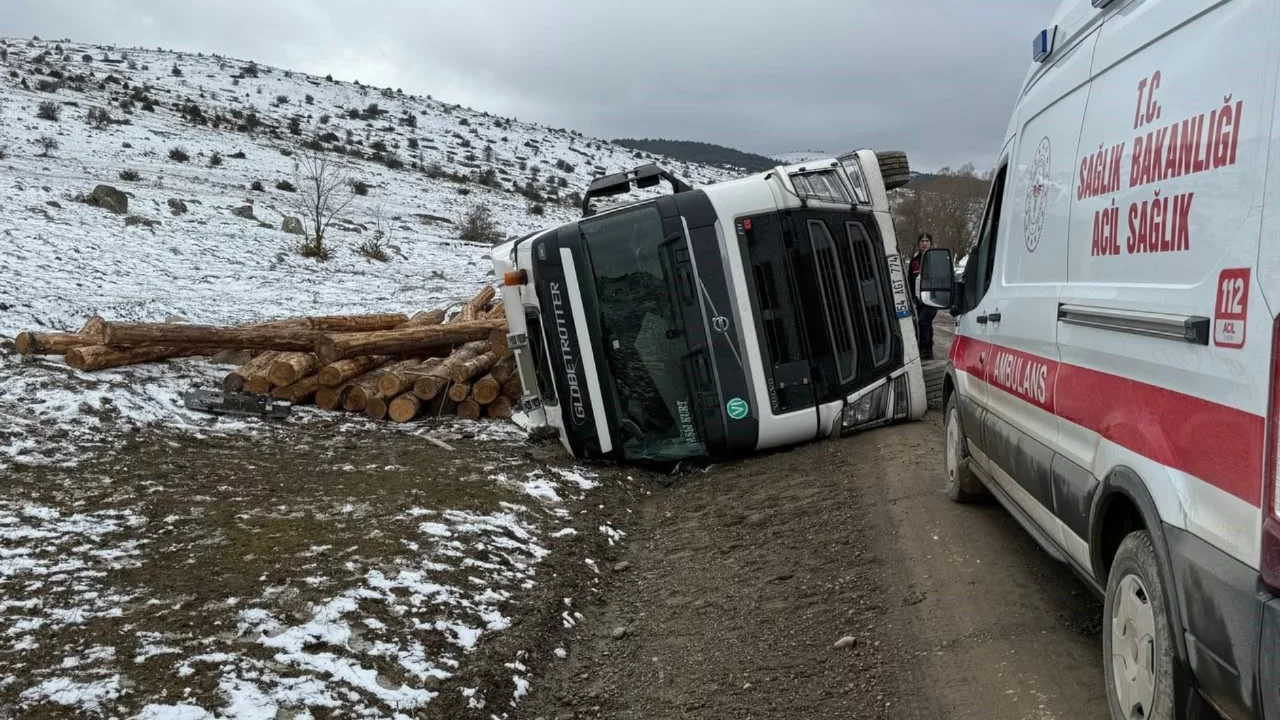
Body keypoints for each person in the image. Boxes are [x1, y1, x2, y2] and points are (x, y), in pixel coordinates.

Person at [908, 232, 937, 361]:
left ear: (930, 243)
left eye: (927, 241)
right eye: (922, 241)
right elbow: (910, 280)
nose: (924, 243)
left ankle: (924, 346)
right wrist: (912, 297)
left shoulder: (935, 259)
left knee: (923, 321)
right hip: (919, 299)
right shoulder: (914, 261)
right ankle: (929, 346)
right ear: (918, 244)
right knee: (926, 323)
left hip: (932, 298)